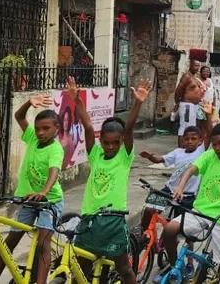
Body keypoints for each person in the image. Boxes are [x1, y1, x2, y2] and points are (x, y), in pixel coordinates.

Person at [75, 77, 152, 284]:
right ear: (101, 142)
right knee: (80, 268)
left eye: (115, 143)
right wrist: (77, 101)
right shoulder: (95, 155)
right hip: (90, 219)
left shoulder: (124, 157)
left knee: (124, 268)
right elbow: (89, 127)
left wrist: (138, 102)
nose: (110, 147)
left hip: (114, 221)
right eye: (107, 143)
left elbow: (128, 129)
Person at [163, 123, 220, 284]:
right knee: (169, 229)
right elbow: (191, 169)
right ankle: (175, 268)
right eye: (214, 144)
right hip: (199, 212)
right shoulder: (209, 156)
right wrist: (181, 186)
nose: (217, 148)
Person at [0, 94, 62, 284]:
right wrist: (29, 103)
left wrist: (44, 192)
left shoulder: (55, 149)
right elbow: (19, 117)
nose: (40, 133)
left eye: (46, 129)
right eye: (38, 129)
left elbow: (54, 171)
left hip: (49, 201)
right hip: (28, 201)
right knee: (10, 241)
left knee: (42, 243)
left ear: (56, 129)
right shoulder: (32, 139)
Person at [138, 125, 205, 229]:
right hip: (169, 190)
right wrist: (150, 156)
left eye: (193, 139)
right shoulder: (178, 152)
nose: (190, 141)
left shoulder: (201, 153)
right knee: (149, 209)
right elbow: (159, 159)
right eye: (186, 139)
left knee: (181, 229)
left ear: (200, 141)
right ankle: (143, 235)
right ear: (183, 141)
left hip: (187, 196)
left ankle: (187, 244)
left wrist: (209, 114)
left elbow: (209, 132)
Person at [174, 77, 211, 149]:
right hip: (187, 106)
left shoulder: (197, 81)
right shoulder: (188, 78)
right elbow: (178, 91)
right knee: (184, 127)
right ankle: (181, 149)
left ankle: (188, 148)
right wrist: (177, 102)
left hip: (193, 106)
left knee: (191, 127)